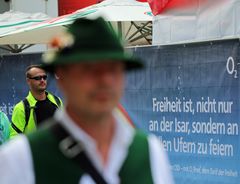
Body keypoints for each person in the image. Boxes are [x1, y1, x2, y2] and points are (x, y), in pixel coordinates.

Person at [0, 17, 174, 184]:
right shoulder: (20, 158)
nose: (105, 80)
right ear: (63, 76)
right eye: (90, 69)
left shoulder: (150, 151)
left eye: (114, 69)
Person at [10, 65, 62, 138]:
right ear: (28, 81)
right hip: (35, 148)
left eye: (44, 77)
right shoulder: (21, 108)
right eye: (37, 78)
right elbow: (14, 139)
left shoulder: (57, 101)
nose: (42, 80)